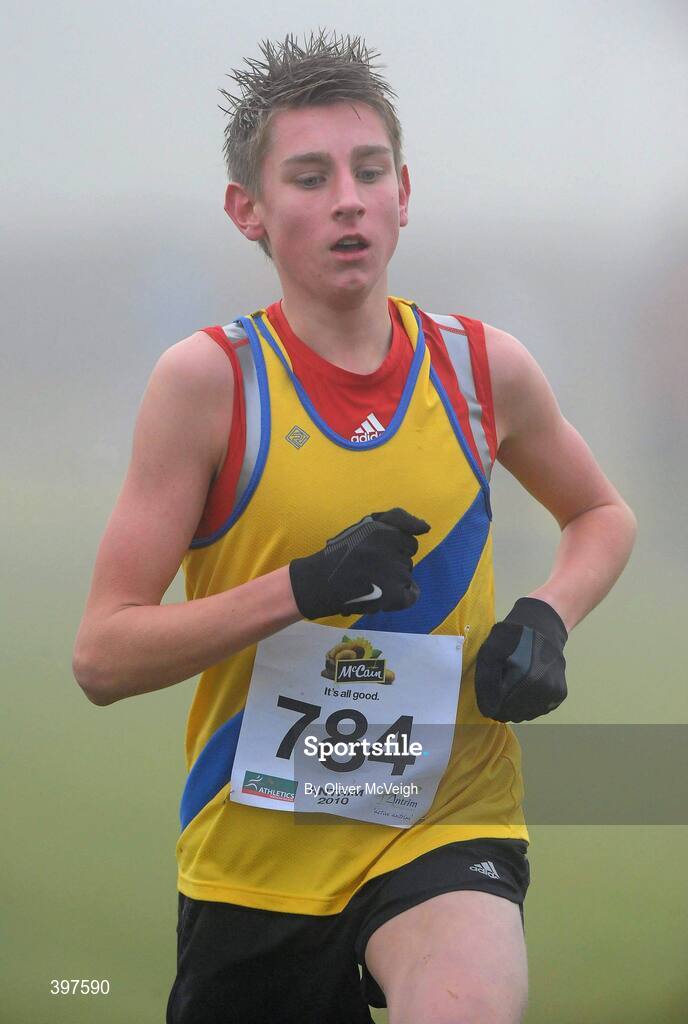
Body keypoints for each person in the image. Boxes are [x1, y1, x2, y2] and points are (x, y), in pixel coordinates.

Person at [73, 31, 636, 1024]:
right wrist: (302, 585)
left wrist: (549, 615)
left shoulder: (478, 368)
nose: (348, 197)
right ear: (247, 209)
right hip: (252, 861)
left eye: (369, 170)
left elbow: (600, 513)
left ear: (403, 193)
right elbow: (103, 655)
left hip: (444, 826)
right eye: (310, 174)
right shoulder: (207, 385)